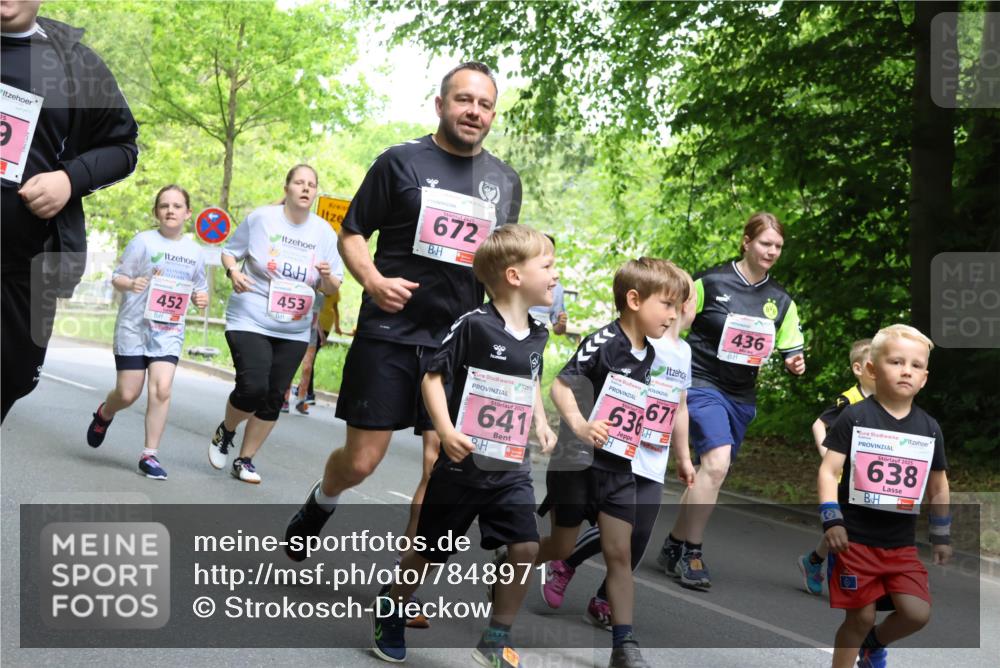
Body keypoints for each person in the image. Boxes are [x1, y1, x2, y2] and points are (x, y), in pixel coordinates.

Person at [284, 62, 522, 565]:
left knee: (439, 466)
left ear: (493, 114)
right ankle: (322, 499)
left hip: (458, 343)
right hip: (390, 333)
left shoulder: (504, 181)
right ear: (440, 105)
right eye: (463, 100)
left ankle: (403, 589)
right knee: (362, 461)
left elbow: (502, 264)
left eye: (483, 104)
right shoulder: (400, 163)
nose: (473, 111)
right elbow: (351, 232)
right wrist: (372, 280)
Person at [369, 225, 557, 666]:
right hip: (461, 468)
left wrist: (543, 424)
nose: (554, 275)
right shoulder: (473, 325)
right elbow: (432, 376)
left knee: (526, 548)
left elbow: (529, 382)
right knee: (428, 552)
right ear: (514, 276)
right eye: (547, 266)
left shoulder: (538, 332)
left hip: (510, 468)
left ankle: (495, 638)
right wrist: (447, 431)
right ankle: (392, 609)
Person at [536, 257, 686, 668]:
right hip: (577, 463)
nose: (673, 315)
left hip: (619, 467)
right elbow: (562, 387)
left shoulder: (650, 354)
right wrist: (582, 426)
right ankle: (514, 562)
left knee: (619, 552)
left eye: (677, 307)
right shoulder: (604, 342)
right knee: (561, 545)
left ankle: (624, 646)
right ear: (634, 300)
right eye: (667, 304)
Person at [1, 0, 139, 422]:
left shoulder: (74, 65)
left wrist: (69, 179)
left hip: (19, 271)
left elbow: (123, 148)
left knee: (13, 376)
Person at [655, 212, 806, 589]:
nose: (772, 251)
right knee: (717, 465)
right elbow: (676, 327)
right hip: (702, 383)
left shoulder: (781, 300)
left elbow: (791, 350)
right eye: (765, 243)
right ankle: (692, 553)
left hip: (741, 395)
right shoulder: (711, 282)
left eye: (778, 246)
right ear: (746, 242)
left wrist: (795, 362)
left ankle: (673, 544)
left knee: (711, 474)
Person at [818, 324, 951, 668]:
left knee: (917, 613)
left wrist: (941, 535)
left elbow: (938, 486)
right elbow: (829, 471)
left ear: (924, 378)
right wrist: (831, 519)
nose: (907, 370)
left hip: (900, 546)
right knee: (858, 619)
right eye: (896, 361)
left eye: (916, 365)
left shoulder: (929, 428)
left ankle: (872, 643)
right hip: (855, 541)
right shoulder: (856, 416)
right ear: (874, 370)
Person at [207, 164, 342, 483]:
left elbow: (334, 286)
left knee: (273, 395)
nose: (306, 188)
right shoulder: (262, 219)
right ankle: (226, 431)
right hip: (251, 316)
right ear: (287, 188)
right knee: (253, 386)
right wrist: (233, 273)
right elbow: (229, 253)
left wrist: (325, 277)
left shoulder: (324, 232)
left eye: (312, 184)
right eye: (299, 182)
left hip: (294, 327)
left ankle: (245, 460)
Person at [85, 185, 207, 479]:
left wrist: (200, 298)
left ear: (187, 213)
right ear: (156, 212)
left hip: (168, 330)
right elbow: (117, 277)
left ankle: (149, 455)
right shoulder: (143, 242)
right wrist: (131, 284)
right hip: (135, 327)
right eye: (164, 205)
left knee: (162, 389)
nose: (170, 211)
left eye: (177, 206)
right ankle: (105, 412)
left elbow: (199, 287)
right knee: (128, 393)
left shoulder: (194, 251)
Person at [797, 338, 875, 594]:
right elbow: (818, 424)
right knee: (848, 524)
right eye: (872, 365)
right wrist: (828, 456)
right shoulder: (849, 400)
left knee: (849, 524)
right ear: (858, 369)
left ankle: (814, 561)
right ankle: (845, 579)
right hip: (845, 476)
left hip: (868, 477)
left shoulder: (887, 401)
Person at [282, 291, 324, 415]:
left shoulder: (320, 296)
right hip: (294, 330)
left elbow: (317, 316)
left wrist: (320, 333)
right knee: (290, 365)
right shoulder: (297, 289)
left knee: (307, 367)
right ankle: (284, 398)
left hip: (311, 334)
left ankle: (301, 400)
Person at [528, 234, 568, 335]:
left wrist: (561, 323)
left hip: (535, 343)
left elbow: (558, 330)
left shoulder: (556, 288)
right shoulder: (520, 278)